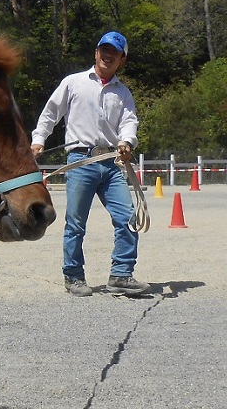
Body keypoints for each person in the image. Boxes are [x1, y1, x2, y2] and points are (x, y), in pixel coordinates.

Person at [30, 31, 149, 297]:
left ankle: (121, 275)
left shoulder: (123, 93)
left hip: (111, 161)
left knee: (128, 218)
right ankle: (73, 277)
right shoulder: (73, 83)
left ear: (122, 60)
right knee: (75, 223)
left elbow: (129, 122)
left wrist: (127, 142)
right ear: (96, 53)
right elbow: (50, 113)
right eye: (103, 50)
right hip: (80, 160)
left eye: (114, 52)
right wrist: (39, 139)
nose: (108, 55)